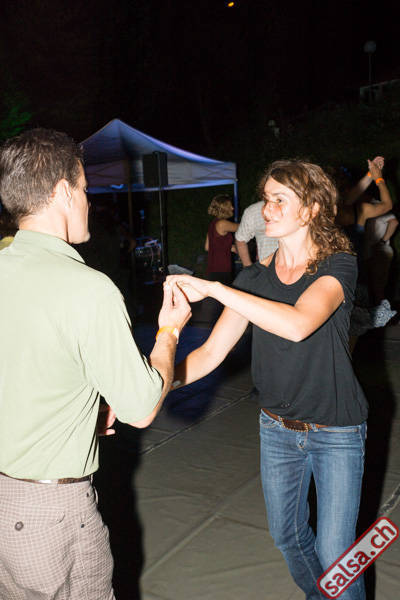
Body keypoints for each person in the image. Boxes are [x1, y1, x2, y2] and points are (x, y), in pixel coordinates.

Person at [0, 128, 191, 600]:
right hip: (51, 513)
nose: (89, 200)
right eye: (85, 188)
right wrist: (169, 332)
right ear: (63, 192)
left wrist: (79, 409)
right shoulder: (88, 289)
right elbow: (141, 409)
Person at [167, 160, 368, 600]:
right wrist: (156, 383)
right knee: (287, 537)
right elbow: (209, 354)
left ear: (312, 209)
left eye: (280, 200)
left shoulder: (338, 266)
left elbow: (298, 324)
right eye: (265, 199)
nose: (267, 209)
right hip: (277, 430)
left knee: (337, 554)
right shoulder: (254, 278)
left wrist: (215, 289)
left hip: (336, 430)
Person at [205, 193, 238, 285]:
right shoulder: (222, 223)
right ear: (224, 208)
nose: (232, 208)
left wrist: (229, 247)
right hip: (221, 270)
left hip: (212, 269)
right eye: (230, 206)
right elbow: (243, 227)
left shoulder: (213, 223)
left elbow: (207, 247)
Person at [235, 199, 278, 266]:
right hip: (266, 267)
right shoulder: (254, 211)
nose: (232, 208)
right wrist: (248, 267)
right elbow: (240, 238)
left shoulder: (293, 207)